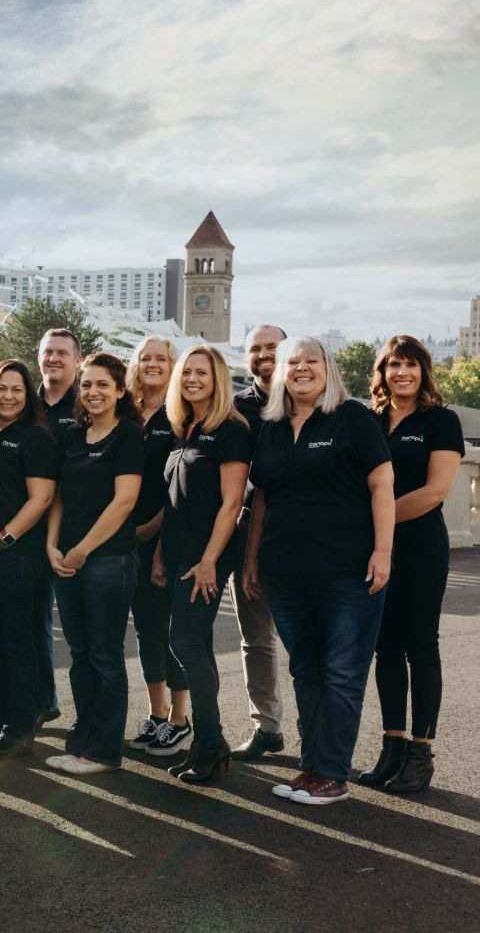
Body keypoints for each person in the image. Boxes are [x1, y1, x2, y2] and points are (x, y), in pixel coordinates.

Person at [247, 336, 393, 806]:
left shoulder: (353, 418)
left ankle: (332, 775)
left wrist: (383, 551)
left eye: (312, 360)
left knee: (342, 671)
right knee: (305, 669)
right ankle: (309, 769)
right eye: (294, 361)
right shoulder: (270, 426)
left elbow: (382, 482)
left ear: (328, 369)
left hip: (347, 570)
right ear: (282, 372)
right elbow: (262, 498)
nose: (302, 368)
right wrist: (252, 559)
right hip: (286, 572)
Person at [357, 337, 462, 793]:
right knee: (386, 646)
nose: (402, 372)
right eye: (393, 364)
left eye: (411, 364)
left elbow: (436, 490)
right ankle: (392, 745)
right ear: (381, 371)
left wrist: (374, 520)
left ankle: (421, 752)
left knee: (421, 645)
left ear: (424, 371)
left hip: (419, 547)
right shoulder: (369, 420)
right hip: (373, 550)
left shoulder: (441, 420)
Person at [44, 353, 143, 776]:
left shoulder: (129, 437)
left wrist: (82, 549)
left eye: (103, 384)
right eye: (86, 385)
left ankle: (103, 752)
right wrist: (52, 546)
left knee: (105, 655)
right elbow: (59, 497)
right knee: (81, 654)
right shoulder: (72, 436)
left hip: (107, 560)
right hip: (65, 559)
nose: (93, 392)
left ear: (121, 390)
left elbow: (124, 502)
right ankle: (82, 741)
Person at [156, 345, 251, 784]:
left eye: (203, 373)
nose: (193, 379)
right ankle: (207, 744)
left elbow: (232, 503)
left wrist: (210, 560)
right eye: (187, 372)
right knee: (194, 646)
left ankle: (211, 743)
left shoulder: (231, 428)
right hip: (178, 551)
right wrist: (160, 553)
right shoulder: (183, 427)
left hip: (207, 555)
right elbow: (173, 501)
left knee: (187, 643)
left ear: (218, 379)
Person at [0, 360, 57, 759]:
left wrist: (7, 535)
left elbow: (43, 497)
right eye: (1, 388)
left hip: (15, 555)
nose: (8, 396)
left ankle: (19, 729)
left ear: (28, 394)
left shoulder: (36, 438)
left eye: (17, 389)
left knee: (17, 643)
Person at [125, 336, 191, 757]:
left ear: (173, 366)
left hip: (165, 537)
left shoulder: (182, 413)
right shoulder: (124, 411)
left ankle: (181, 719)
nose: (152, 364)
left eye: (161, 359)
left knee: (171, 632)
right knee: (146, 630)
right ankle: (157, 712)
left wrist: (156, 530)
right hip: (122, 537)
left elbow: (185, 483)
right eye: (145, 358)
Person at [229, 324, 290, 758]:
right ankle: (266, 726)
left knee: (309, 642)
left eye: (273, 346)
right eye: (256, 348)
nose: (264, 354)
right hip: (246, 527)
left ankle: (320, 740)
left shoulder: (308, 397)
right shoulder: (236, 408)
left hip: (300, 534)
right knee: (255, 639)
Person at [32, 327, 81, 725]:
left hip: (72, 525)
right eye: (48, 352)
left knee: (77, 630)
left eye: (62, 353)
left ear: (77, 361)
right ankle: (42, 700)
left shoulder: (86, 402)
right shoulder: (25, 403)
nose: (54, 359)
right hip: (27, 522)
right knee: (32, 617)